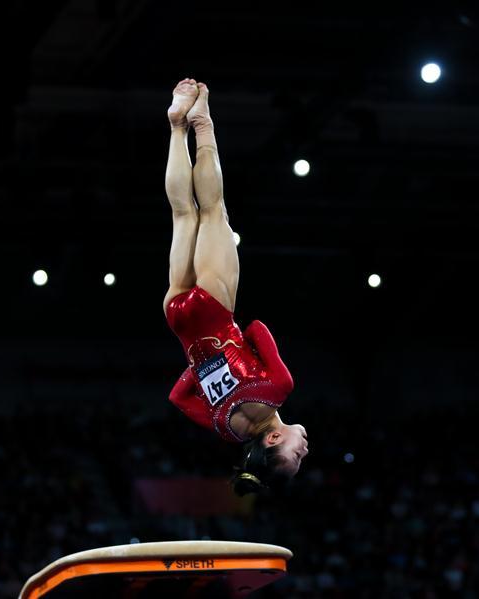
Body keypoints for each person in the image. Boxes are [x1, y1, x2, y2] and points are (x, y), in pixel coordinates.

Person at [162, 78, 308, 496]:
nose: (305, 451)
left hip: (214, 310)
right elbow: (178, 397)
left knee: (212, 210)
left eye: (296, 456)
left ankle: (200, 123)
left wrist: (227, 347)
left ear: (274, 440)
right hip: (180, 320)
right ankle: (175, 128)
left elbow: (258, 330)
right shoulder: (226, 429)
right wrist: (204, 363)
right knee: (181, 216)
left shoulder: (278, 390)